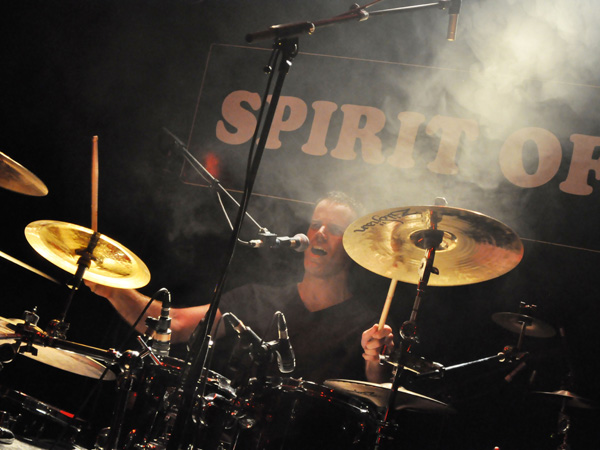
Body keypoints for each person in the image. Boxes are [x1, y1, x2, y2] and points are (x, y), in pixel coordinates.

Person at [86, 192, 394, 384]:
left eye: (335, 229)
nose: (320, 233)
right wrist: (114, 289)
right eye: (315, 224)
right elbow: (174, 325)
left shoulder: (367, 325)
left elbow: (378, 389)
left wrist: (375, 360)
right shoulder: (256, 299)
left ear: (354, 247)